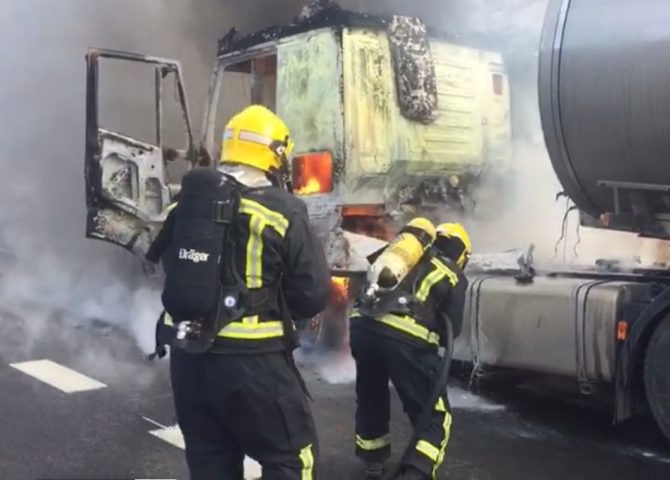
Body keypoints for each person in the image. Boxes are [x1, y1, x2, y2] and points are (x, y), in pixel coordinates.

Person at [145, 105, 331, 480]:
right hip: (254, 365)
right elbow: (310, 296)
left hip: (189, 362)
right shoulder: (283, 210)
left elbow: (169, 265)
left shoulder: (185, 205)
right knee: (292, 459)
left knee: (210, 460)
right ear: (275, 154)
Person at [350, 221, 472, 480]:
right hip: (405, 338)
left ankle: (372, 460)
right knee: (435, 412)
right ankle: (417, 472)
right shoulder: (452, 273)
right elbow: (452, 330)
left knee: (371, 393)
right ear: (463, 255)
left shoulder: (401, 256)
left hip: (362, 326)